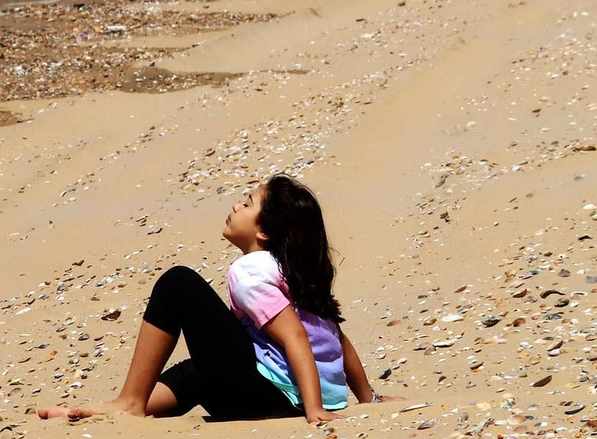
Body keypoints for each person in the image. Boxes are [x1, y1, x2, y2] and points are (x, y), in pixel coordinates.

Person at [37, 175, 382, 424]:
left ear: (264, 232)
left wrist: (312, 409)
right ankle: (100, 411)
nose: (236, 205)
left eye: (247, 203)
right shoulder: (292, 275)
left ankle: (129, 402)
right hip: (292, 395)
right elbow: (339, 340)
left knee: (179, 283)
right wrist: (367, 398)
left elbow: (294, 337)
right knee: (199, 367)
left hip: (276, 398)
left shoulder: (251, 271)